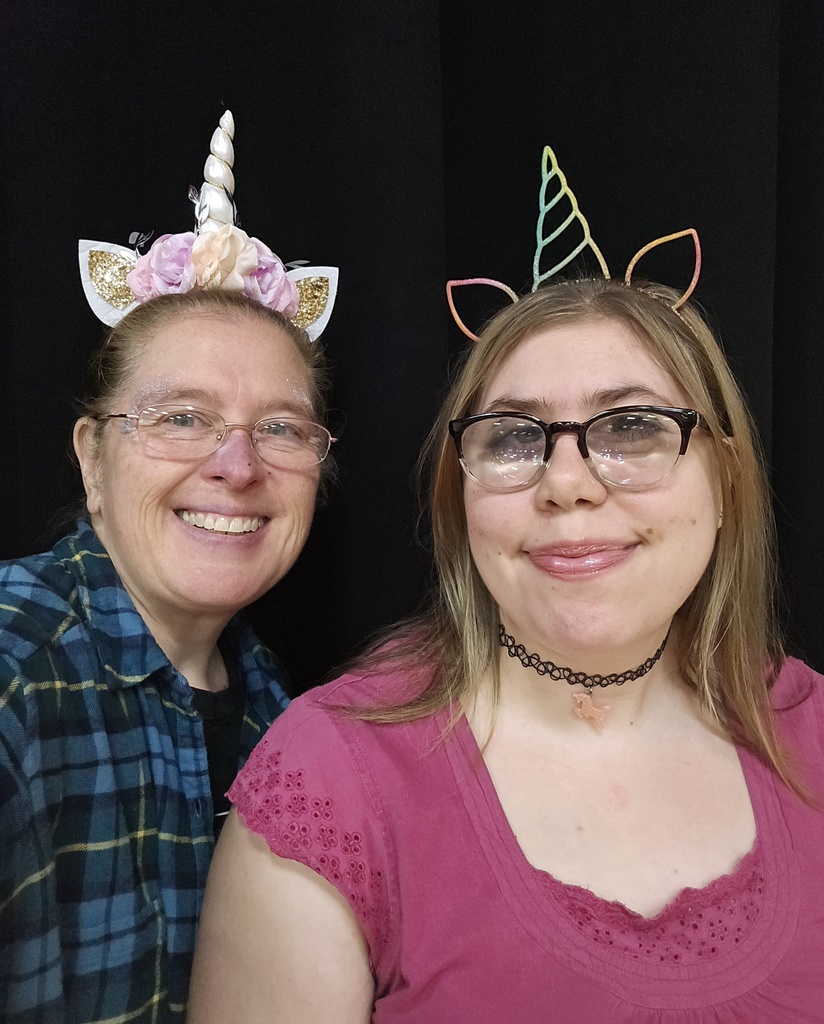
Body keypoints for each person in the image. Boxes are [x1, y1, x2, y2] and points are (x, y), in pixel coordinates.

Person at [189, 277, 824, 1023]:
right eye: (515, 438)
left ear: (726, 479)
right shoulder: (330, 780)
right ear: (460, 504)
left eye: (631, 429)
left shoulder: (809, 728)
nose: (566, 483)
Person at [0, 111, 338, 1023]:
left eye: (280, 427)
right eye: (180, 417)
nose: (237, 465)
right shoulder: (13, 674)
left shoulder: (283, 707)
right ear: (90, 459)